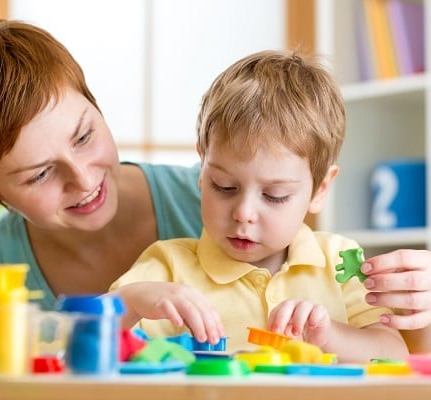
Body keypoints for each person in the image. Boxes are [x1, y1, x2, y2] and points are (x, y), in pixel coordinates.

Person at [0, 19, 431, 355]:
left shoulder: (320, 253)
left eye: (84, 136)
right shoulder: (168, 264)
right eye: (38, 174)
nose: (82, 180)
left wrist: (423, 315)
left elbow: (400, 360)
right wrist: (127, 304)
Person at [110, 50, 411, 361]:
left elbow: (395, 355)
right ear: (203, 170)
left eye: (275, 195)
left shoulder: (340, 261)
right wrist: (131, 302)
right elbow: (78, 340)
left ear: (320, 189)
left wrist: (329, 335)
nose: (243, 213)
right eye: (224, 186)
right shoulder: (168, 266)